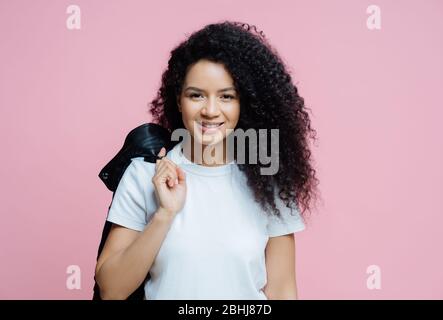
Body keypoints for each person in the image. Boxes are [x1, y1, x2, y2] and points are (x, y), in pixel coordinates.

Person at [94, 21, 319, 300]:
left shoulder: (269, 181)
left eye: (226, 97)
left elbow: (283, 290)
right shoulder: (144, 175)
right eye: (196, 95)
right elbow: (111, 290)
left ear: (244, 103)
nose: (210, 110)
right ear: (179, 100)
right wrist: (164, 214)